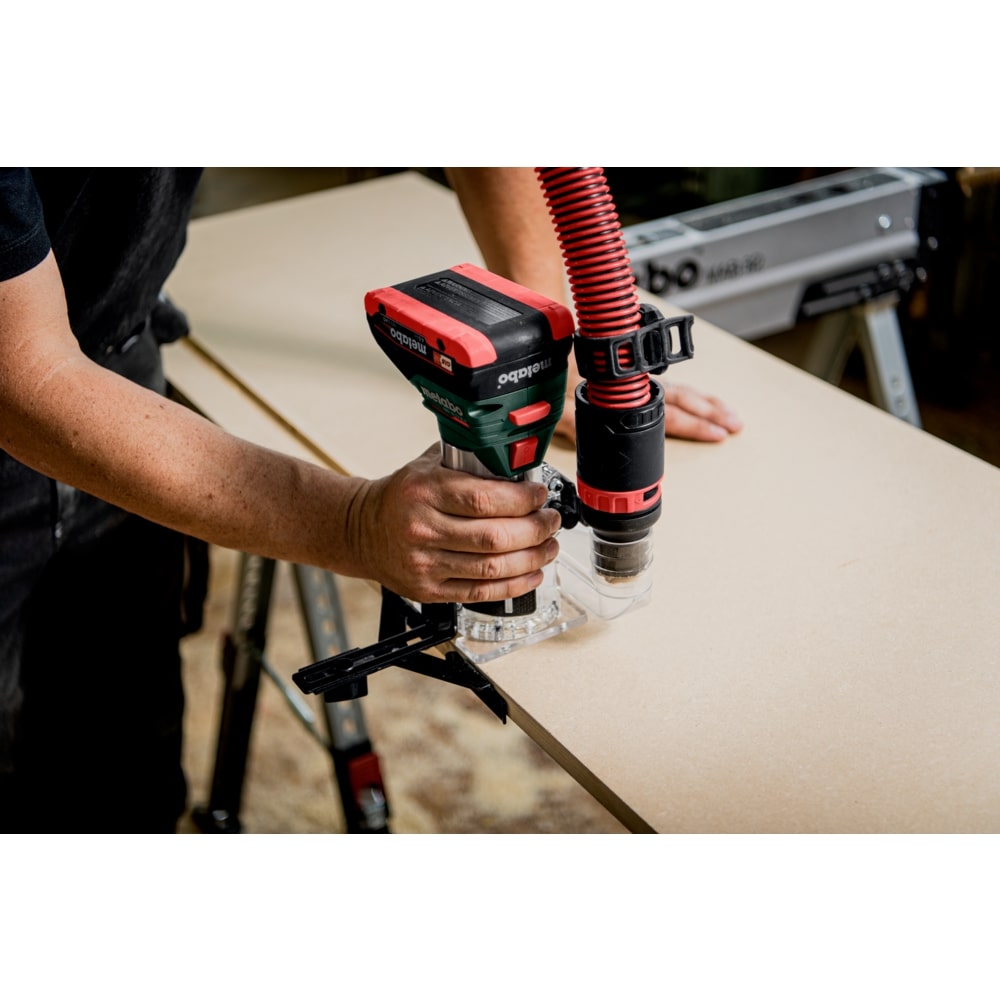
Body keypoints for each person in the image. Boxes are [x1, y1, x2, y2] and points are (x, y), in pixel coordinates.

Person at [0, 168, 740, 832]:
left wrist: (552, 360)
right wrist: (353, 525)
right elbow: (23, 379)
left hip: (118, 348)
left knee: (121, 766)